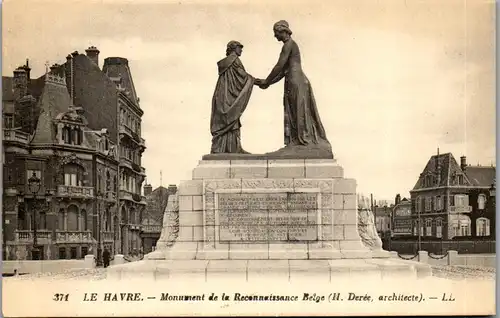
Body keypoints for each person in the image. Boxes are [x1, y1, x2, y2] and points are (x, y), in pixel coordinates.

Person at [256, 20, 330, 148]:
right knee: (296, 110)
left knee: (299, 110)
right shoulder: (290, 45)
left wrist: (266, 81)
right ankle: (297, 141)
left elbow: (279, 66)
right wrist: (267, 83)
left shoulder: (288, 45)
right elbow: (283, 71)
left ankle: (302, 141)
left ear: (282, 31)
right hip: (295, 80)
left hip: (296, 81)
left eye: (276, 33)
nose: (275, 36)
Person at [210, 40, 260, 154]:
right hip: (228, 97)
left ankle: (230, 148)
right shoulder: (234, 60)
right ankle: (227, 149)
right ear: (234, 48)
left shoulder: (228, 61)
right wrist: (257, 81)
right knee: (231, 117)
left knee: (230, 119)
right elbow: (243, 77)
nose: (241, 50)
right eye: (239, 47)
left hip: (223, 95)